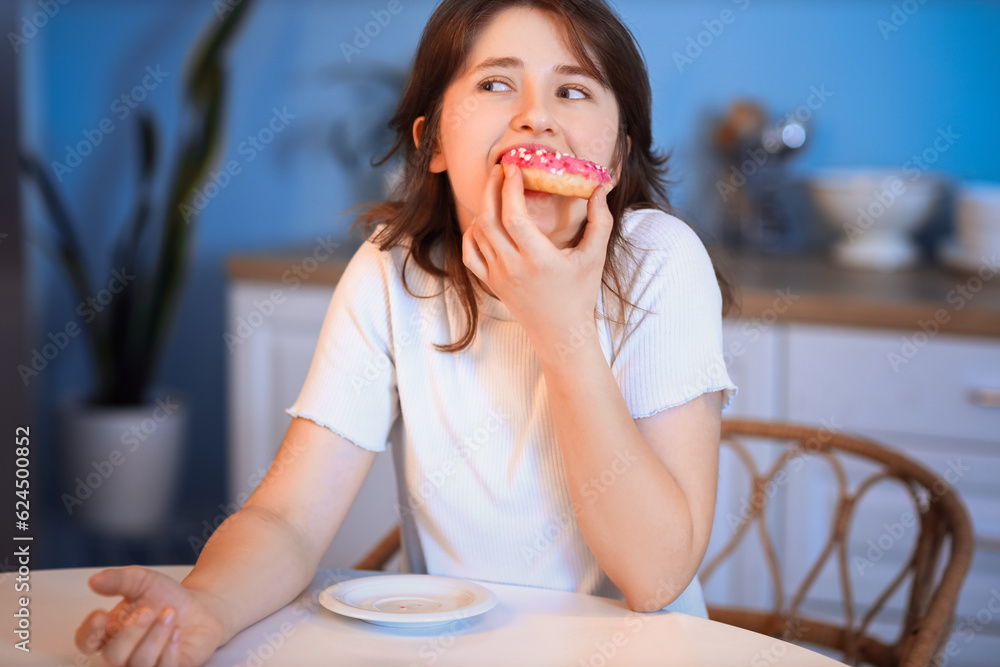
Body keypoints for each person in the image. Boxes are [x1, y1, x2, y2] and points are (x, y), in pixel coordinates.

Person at [74, 0, 738, 664]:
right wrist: (208, 606)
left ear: (617, 159)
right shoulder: (391, 271)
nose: (537, 115)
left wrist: (560, 325)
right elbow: (290, 519)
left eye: (572, 89)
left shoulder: (660, 260)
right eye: (495, 82)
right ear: (435, 144)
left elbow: (656, 577)